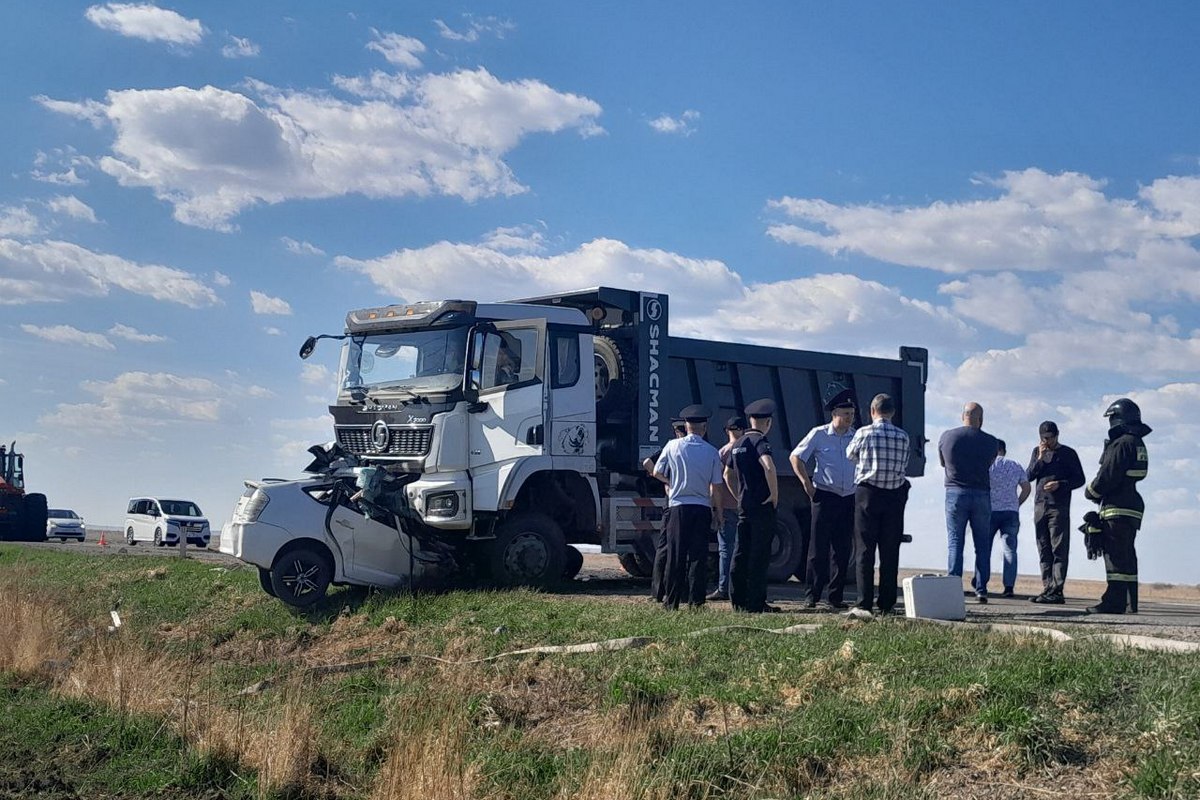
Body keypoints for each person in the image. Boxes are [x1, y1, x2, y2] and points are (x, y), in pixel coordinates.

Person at [790, 389, 857, 610]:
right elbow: (796, 457)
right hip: (825, 495)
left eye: (852, 413)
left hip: (848, 497)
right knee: (818, 548)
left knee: (842, 549)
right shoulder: (819, 434)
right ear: (834, 413)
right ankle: (812, 595)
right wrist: (806, 484)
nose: (849, 418)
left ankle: (835, 597)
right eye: (846, 413)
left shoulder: (856, 436)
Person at [653, 405, 725, 610]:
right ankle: (696, 600)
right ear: (704, 427)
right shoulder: (711, 452)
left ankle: (671, 600)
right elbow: (717, 487)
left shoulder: (672, 446)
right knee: (698, 556)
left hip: (677, 507)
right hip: (701, 507)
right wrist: (719, 513)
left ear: (686, 425)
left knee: (675, 555)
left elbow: (657, 471)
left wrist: (671, 482)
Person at [1083, 398, 1151, 615]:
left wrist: (1091, 492)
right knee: (1127, 555)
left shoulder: (1122, 443)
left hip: (1116, 506)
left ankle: (1114, 602)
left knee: (1114, 556)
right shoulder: (1138, 443)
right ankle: (1131, 602)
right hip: (1131, 505)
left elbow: (1108, 475)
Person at [846, 393, 910, 615]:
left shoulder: (864, 433)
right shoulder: (903, 437)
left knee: (865, 549)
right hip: (894, 496)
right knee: (890, 550)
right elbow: (905, 463)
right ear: (892, 412)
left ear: (872, 411)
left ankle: (864, 602)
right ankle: (887, 603)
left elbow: (850, 455)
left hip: (868, 494)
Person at [938, 402, 999, 604]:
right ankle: (981, 589)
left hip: (955, 492)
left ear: (962, 416)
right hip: (981, 493)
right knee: (982, 545)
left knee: (955, 542)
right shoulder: (991, 441)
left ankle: (953, 587)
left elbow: (943, 463)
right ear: (981, 419)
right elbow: (989, 463)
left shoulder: (947, 436)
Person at [723, 398, 780, 613]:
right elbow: (769, 466)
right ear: (768, 423)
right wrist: (774, 494)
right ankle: (756, 602)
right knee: (760, 554)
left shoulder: (737, 444)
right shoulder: (760, 442)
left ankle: (737, 600)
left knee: (740, 552)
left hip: (744, 505)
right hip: (762, 505)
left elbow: (727, 474)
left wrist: (737, 495)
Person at [1026, 420, 1085, 604]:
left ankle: (1057, 589)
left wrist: (1060, 484)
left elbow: (1080, 479)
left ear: (1057, 435)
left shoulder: (1068, 454)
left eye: (1050, 438)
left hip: (1058, 506)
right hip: (1039, 506)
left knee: (1058, 548)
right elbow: (1028, 476)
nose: (1047, 441)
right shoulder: (1037, 452)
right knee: (1043, 548)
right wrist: (1040, 459)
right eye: (1043, 438)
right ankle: (1047, 587)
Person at [644, 419, 687, 603]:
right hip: (679, 502)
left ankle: (657, 591)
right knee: (676, 549)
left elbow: (647, 462)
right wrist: (669, 482)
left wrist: (666, 481)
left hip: (670, 502)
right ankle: (673, 590)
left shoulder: (669, 448)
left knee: (664, 548)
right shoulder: (681, 449)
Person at [707, 416, 745, 602]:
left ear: (726, 431)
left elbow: (716, 485)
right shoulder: (749, 450)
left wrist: (717, 510)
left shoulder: (721, 452)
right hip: (745, 506)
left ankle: (724, 587)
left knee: (726, 549)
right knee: (744, 548)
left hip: (728, 506)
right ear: (743, 430)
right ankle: (741, 586)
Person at [988, 439, 1031, 598]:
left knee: (985, 548)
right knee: (1010, 549)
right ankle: (1009, 587)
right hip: (1011, 512)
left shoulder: (988, 465)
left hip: (990, 511)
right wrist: (1017, 503)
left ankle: (981, 584)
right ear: (1004, 450)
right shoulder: (1015, 465)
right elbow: (1026, 488)